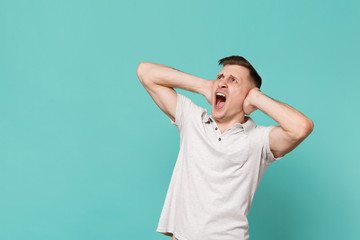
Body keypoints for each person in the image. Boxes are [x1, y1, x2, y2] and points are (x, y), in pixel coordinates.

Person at [136, 56, 314, 240]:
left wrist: (257, 98)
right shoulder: (192, 119)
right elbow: (146, 72)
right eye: (220, 77)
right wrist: (204, 85)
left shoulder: (258, 140)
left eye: (233, 80)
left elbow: (301, 127)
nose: (222, 83)